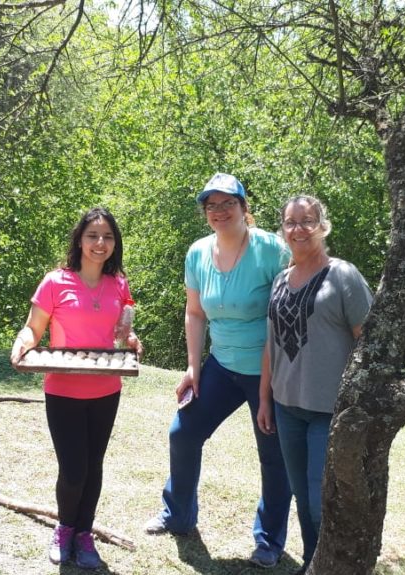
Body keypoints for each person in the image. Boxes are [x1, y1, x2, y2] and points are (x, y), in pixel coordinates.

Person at [144, 173, 293, 569]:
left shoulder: (272, 251)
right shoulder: (197, 253)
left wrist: (266, 389)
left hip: (270, 372)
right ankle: (178, 515)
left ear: (245, 207)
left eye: (228, 203)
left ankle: (269, 540)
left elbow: (285, 319)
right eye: (212, 205)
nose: (220, 211)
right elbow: (195, 314)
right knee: (184, 432)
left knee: (274, 455)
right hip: (222, 366)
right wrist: (193, 367)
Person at [10, 207, 142, 569]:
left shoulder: (119, 283)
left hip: (106, 389)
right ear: (79, 240)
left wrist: (131, 340)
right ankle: (64, 527)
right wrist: (21, 344)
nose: (100, 243)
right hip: (63, 390)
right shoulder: (55, 281)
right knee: (73, 469)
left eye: (108, 237)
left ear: (115, 243)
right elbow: (33, 328)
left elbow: (121, 331)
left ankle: (84, 534)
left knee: (94, 465)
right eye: (93, 236)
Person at [257, 195, 372, 575]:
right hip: (287, 407)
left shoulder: (343, 275)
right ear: (282, 230)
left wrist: (360, 403)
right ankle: (312, 563)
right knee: (303, 500)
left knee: (321, 498)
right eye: (290, 222)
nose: (298, 229)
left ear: (323, 226)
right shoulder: (279, 281)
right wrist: (264, 400)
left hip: (330, 409)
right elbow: (271, 347)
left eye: (307, 221)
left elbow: (368, 342)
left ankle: (334, 566)